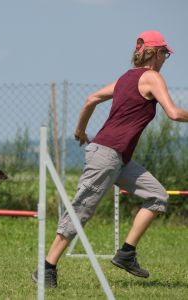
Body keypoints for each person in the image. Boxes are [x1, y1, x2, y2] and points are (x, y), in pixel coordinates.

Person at [32, 30, 188, 288]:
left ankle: (126, 253)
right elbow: (172, 113)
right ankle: (46, 268)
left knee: (157, 195)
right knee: (82, 209)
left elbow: (91, 98)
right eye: (165, 54)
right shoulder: (152, 77)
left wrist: (81, 130)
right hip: (106, 155)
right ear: (156, 53)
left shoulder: (126, 78)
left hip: (118, 158)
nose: (165, 59)